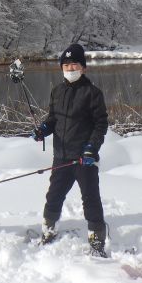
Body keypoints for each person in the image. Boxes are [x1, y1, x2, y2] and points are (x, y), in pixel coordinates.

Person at [32, 43, 109, 257]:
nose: (70, 68)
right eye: (66, 65)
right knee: (54, 195)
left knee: (90, 198)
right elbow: (53, 119)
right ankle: (48, 229)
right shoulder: (57, 91)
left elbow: (101, 125)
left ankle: (96, 238)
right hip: (62, 157)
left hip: (84, 158)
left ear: (83, 67)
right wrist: (43, 130)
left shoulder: (93, 93)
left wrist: (91, 149)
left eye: (75, 64)